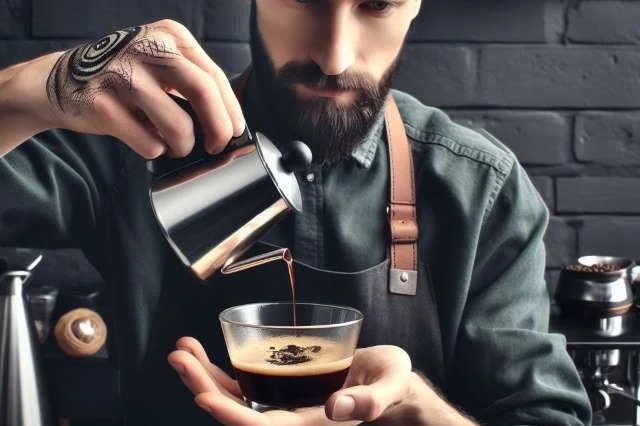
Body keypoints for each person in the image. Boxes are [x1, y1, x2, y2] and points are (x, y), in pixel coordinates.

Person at [0, 1, 591, 425]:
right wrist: (28, 92)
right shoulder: (132, 142)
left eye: (376, 4)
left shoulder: (479, 185)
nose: (334, 55)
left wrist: (421, 411)